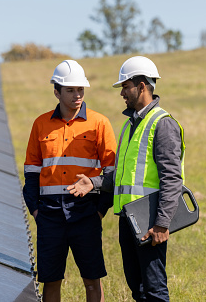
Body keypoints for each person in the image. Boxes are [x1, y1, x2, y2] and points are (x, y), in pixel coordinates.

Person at [67, 56, 185, 302]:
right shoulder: (129, 125)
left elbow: (172, 179)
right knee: (138, 289)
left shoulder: (162, 124)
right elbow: (120, 177)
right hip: (128, 220)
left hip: (149, 220)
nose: (122, 92)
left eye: (125, 86)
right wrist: (94, 183)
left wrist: (162, 224)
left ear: (142, 86)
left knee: (154, 290)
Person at [23, 60, 117, 302]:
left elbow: (112, 172)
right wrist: (36, 210)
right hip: (49, 215)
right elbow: (31, 172)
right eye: (70, 90)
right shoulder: (40, 124)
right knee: (51, 280)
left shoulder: (100, 123)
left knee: (92, 280)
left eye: (80, 90)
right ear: (56, 92)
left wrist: (99, 211)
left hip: (86, 211)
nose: (77, 95)